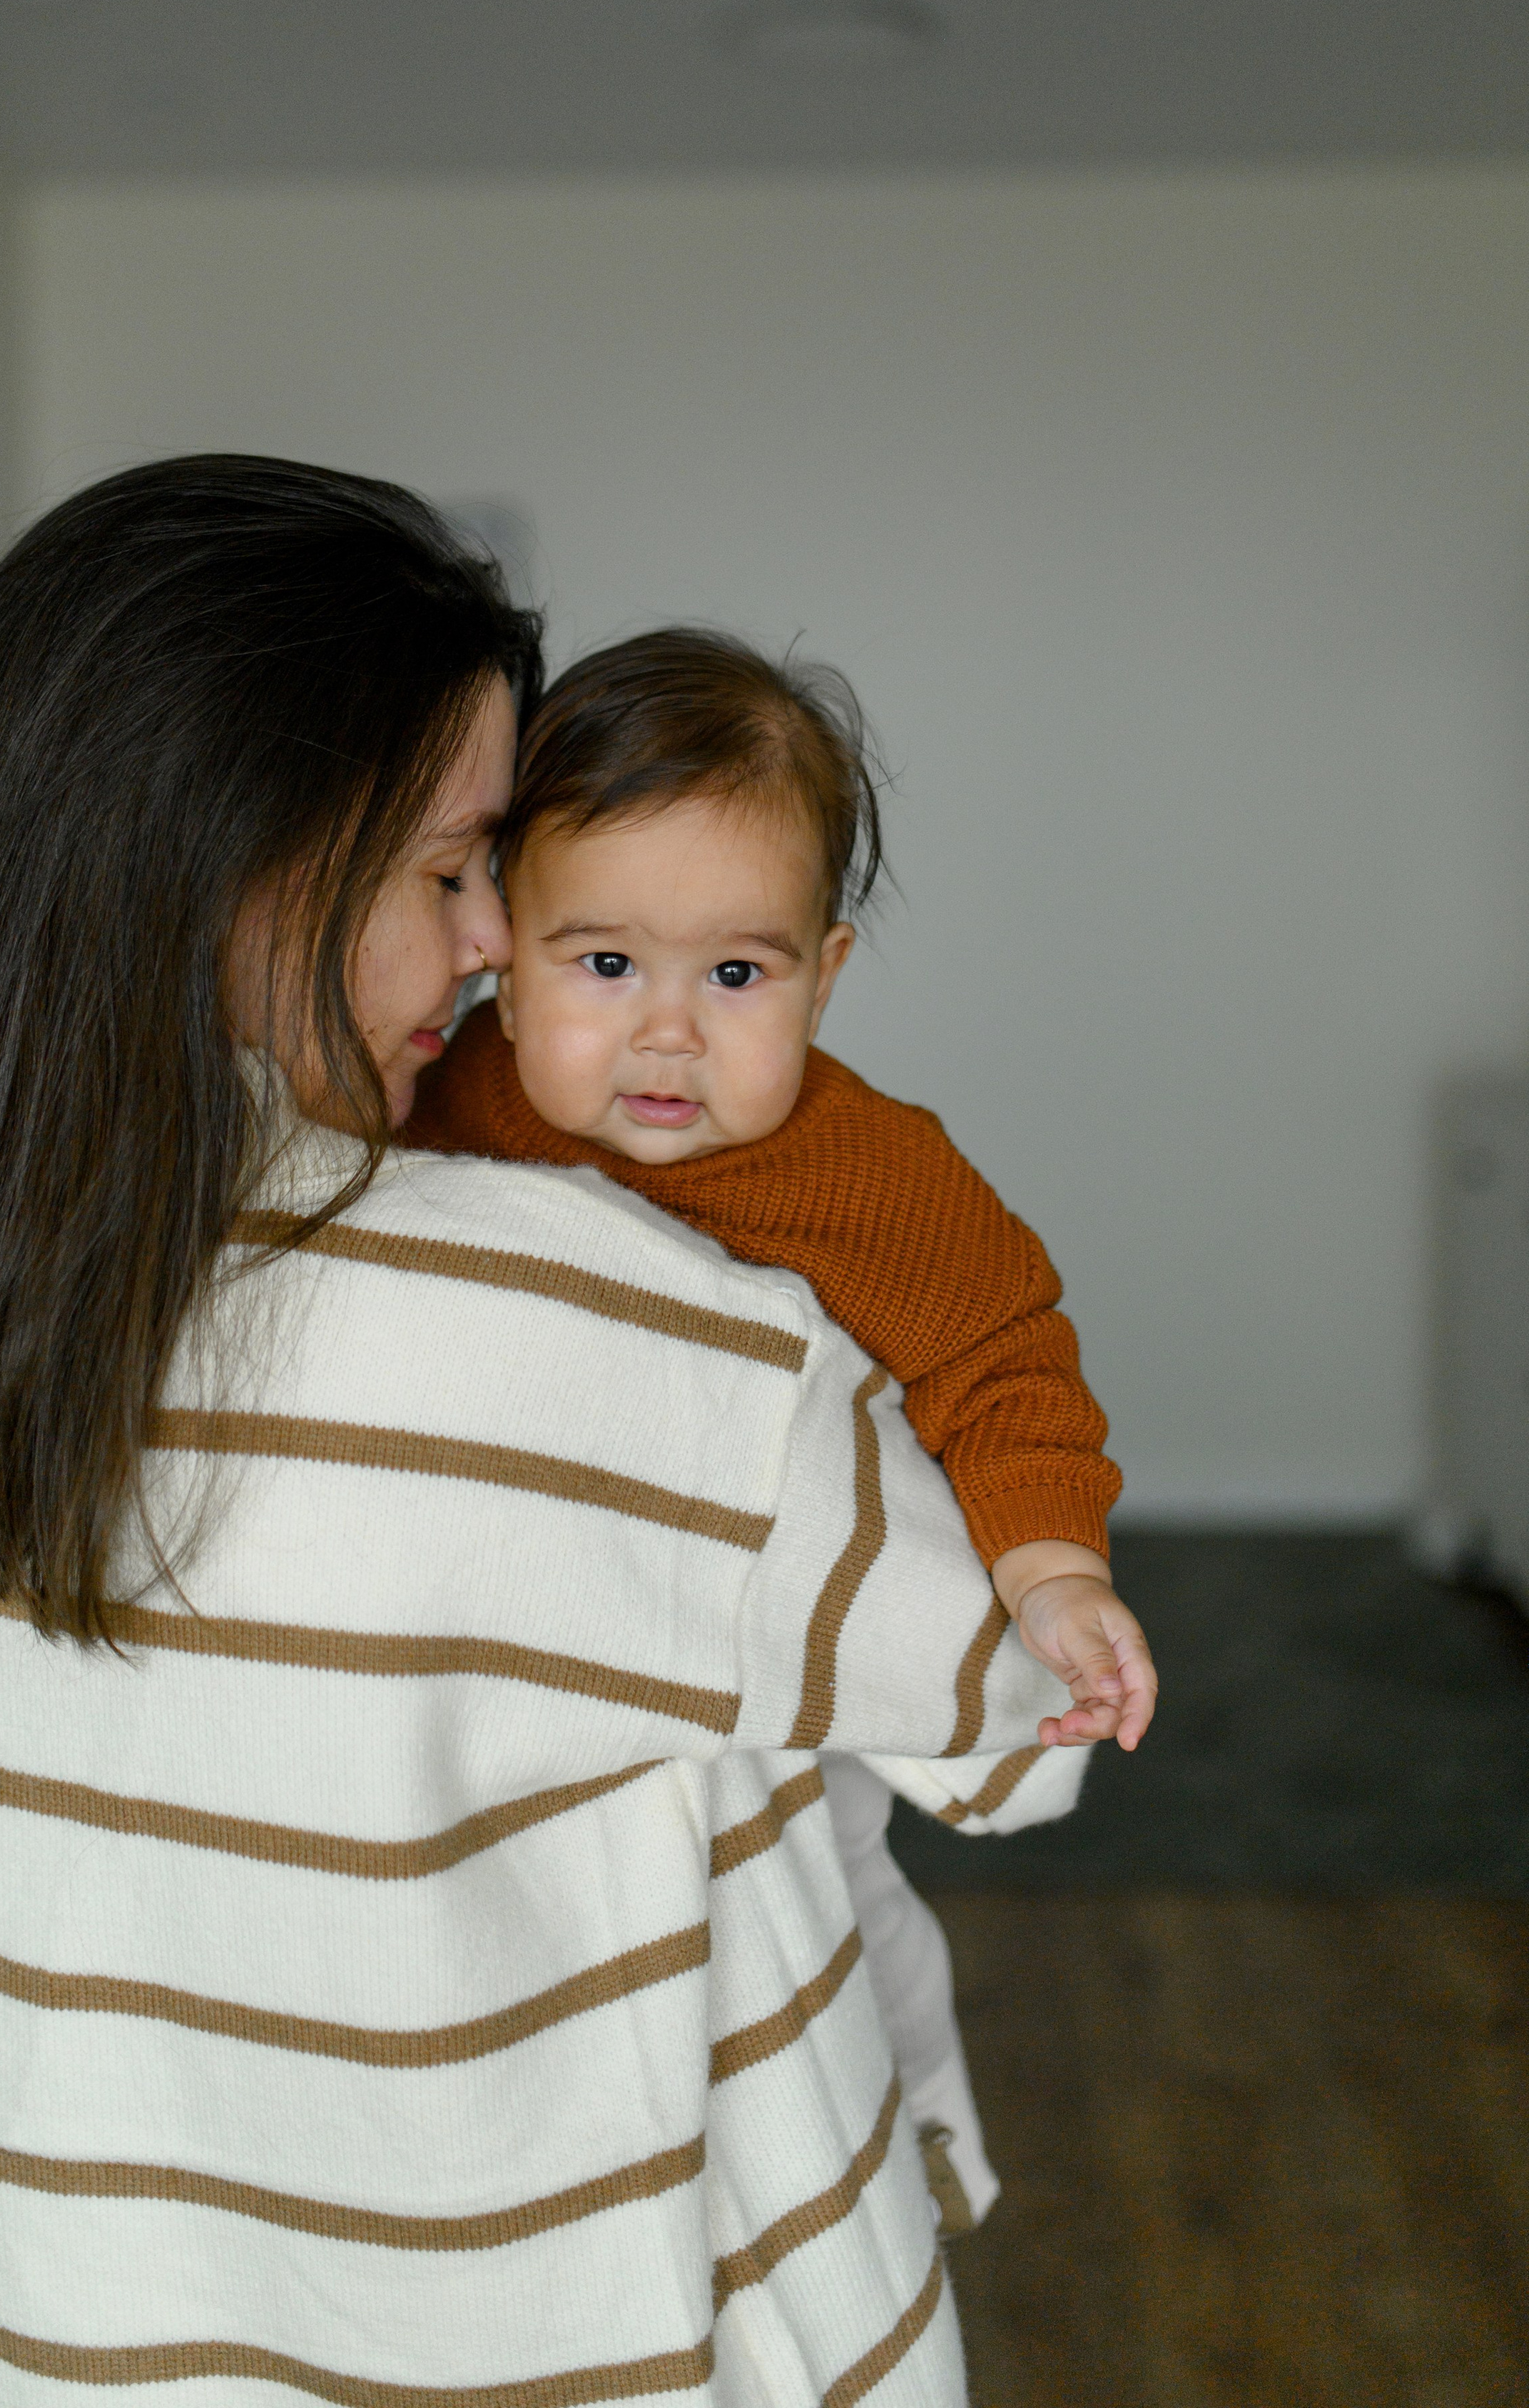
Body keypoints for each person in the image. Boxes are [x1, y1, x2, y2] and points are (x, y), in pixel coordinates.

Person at [0, 460, 1082, 2407]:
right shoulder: (625, 1339)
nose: (492, 952)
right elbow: (1016, 1734)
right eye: (453, 874)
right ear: (242, 853)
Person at [406, 629, 1159, 2209]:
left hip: (783, 1673)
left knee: (833, 1901)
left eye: (733, 974)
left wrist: (1047, 1569)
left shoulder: (872, 1169)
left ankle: (912, 2140)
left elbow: (999, 1358)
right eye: (601, 964)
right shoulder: (443, 1096)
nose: (666, 1030)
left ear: (823, 972)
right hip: (538, 1651)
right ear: (502, 948)